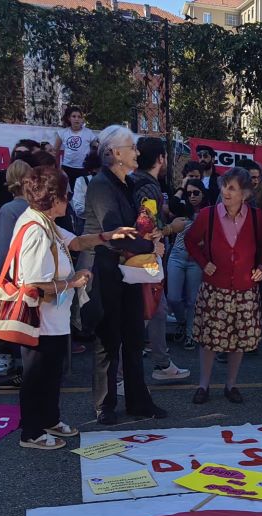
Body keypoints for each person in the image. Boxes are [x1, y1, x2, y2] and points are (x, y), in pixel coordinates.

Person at [12, 167, 131, 449]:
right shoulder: (36, 231)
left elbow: (76, 242)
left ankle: (49, 419)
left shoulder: (46, 222)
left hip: (54, 318)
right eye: (64, 195)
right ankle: (31, 432)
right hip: (38, 318)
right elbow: (35, 285)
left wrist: (109, 235)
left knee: (53, 372)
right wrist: (73, 281)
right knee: (36, 376)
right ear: (53, 199)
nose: (68, 200)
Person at [83, 124, 167, 424]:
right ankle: (104, 405)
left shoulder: (128, 183)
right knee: (108, 340)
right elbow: (116, 231)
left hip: (129, 270)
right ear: (115, 153)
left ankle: (138, 401)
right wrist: (150, 244)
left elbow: (138, 225)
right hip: (105, 268)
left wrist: (153, 234)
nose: (137, 152)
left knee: (133, 337)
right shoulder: (101, 185)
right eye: (131, 147)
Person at [185, 167, 262, 405]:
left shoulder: (256, 217)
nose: (226, 192)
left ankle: (231, 385)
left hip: (245, 288)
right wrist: (204, 262)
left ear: (245, 194)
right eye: (224, 186)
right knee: (210, 338)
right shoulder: (207, 215)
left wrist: (261, 268)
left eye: (232, 188)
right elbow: (190, 241)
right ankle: (204, 385)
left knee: (239, 340)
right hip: (215, 288)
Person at [132, 137, 190, 383]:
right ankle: (123, 375)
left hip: (145, 256)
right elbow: (145, 226)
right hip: (145, 258)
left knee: (157, 310)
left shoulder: (140, 182)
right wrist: (171, 228)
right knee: (145, 311)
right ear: (160, 159)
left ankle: (162, 362)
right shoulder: (147, 186)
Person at [0, 159, 33, 388]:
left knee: (6, 319)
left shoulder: (8, 210)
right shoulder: (35, 207)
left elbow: (4, 247)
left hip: (13, 274)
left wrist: (0, 275)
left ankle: (5, 358)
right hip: (31, 273)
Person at [167, 178, 207, 352]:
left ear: (203, 193)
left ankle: (190, 334)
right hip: (177, 256)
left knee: (192, 300)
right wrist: (182, 186)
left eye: (196, 192)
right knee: (173, 298)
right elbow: (172, 203)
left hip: (196, 260)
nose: (192, 196)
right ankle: (181, 321)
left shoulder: (209, 212)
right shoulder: (182, 209)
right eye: (189, 193)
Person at [54, 105, 95, 188]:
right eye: (74, 116)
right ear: (69, 118)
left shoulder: (89, 133)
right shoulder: (62, 133)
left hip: (83, 168)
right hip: (67, 168)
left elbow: (96, 148)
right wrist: (55, 167)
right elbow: (55, 150)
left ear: (82, 119)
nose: (77, 119)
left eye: (79, 117)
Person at [71, 150, 102, 231]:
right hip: (86, 225)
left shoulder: (110, 182)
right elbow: (79, 209)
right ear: (94, 169)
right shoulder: (81, 181)